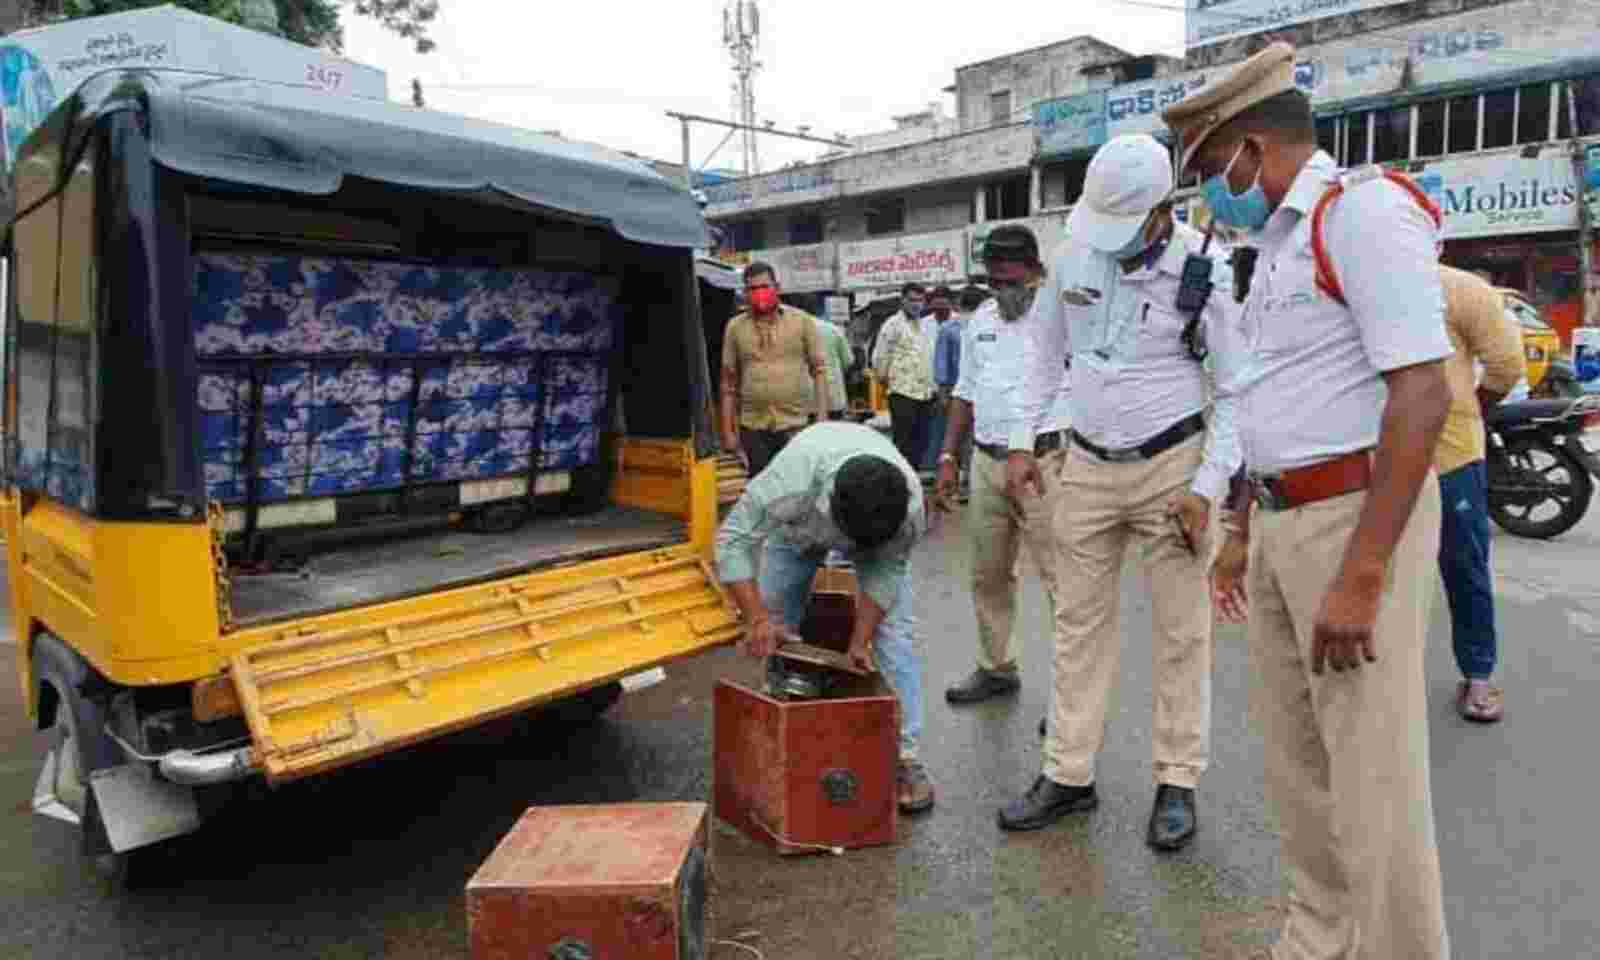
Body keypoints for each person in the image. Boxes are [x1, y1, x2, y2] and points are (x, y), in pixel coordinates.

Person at [1168, 42, 1454, 959]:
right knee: (1300, 770)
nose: (1213, 190)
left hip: (1353, 519)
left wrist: (1364, 573)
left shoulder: (1361, 216)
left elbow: (1423, 393)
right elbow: (1265, 400)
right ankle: (1321, 940)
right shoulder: (1275, 246)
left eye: (1213, 169)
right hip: (1288, 520)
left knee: (1372, 778)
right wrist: (1245, 528)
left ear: (1253, 147)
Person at [995, 133, 1241, 854]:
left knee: (1181, 632)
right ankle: (1068, 774)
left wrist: (1208, 486)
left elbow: (1235, 390)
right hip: (1087, 468)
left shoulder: (1209, 270)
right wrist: (1019, 441)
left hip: (1175, 470)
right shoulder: (1075, 254)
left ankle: (1177, 780)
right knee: (1075, 626)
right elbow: (1043, 357)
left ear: (1164, 209)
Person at [715, 421, 935, 813]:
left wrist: (859, 642)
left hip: (877, 539)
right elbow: (732, 539)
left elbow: (886, 575)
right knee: (776, 628)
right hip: (797, 531)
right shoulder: (790, 483)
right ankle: (782, 725)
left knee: (894, 636)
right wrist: (757, 619)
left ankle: (906, 757)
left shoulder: (910, 510)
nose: (850, 550)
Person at [937, 227, 1072, 707]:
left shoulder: (1064, 316)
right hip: (988, 462)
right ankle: (997, 666)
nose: (1003, 293)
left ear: (1035, 271)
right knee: (989, 574)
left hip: (1045, 463)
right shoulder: (982, 321)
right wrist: (949, 456)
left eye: (1011, 283)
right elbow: (964, 391)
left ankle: (1071, 694)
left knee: (1064, 581)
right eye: (994, 283)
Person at [1436, 265, 1525, 722]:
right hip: (1372, 462)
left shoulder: (1461, 290)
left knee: (1465, 568)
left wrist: (1467, 409)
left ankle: (1478, 675)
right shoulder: (1355, 283)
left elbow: (1507, 366)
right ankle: (1380, 683)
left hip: (1449, 459)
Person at [720, 262, 829, 476]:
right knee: (760, 490)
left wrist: (822, 419)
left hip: (795, 425)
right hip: (753, 427)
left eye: (765, 286)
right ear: (744, 292)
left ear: (777, 287)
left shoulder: (802, 322)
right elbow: (727, 383)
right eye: (752, 289)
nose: (759, 293)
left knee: (796, 487)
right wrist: (727, 432)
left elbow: (819, 371)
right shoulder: (735, 327)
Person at [872, 282, 939, 469]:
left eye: (920, 300)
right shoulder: (892, 325)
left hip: (925, 394)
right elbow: (879, 358)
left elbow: (928, 357)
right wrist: (888, 383)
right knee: (904, 442)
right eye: (912, 300)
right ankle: (903, 481)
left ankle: (914, 478)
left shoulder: (925, 326)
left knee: (922, 441)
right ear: (902, 301)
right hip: (902, 393)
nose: (916, 304)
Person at [922, 287, 957, 469]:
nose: (940, 307)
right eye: (936, 303)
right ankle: (931, 468)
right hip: (927, 390)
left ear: (951, 303)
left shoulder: (959, 323)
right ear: (931, 305)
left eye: (944, 302)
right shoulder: (923, 325)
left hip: (954, 389)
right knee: (932, 433)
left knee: (953, 432)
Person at [816, 309, 854, 420]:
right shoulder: (833, 329)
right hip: (833, 395)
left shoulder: (795, 329)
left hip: (805, 398)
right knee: (833, 432)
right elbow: (848, 361)